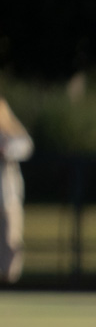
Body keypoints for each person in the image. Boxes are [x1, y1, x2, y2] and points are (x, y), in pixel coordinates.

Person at [0, 96, 32, 284]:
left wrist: (5, 150)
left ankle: (9, 278)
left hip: (8, 196)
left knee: (11, 239)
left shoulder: (11, 133)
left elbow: (25, 146)